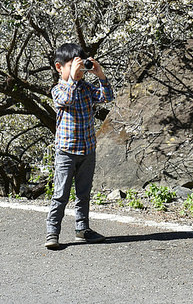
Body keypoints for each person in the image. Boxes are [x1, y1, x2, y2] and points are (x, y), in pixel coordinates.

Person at [45, 43, 114, 250]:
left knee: (83, 193)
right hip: (66, 151)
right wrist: (73, 80)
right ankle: (52, 232)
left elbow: (107, 97)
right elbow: (68, 99)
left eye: (80, 66)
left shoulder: (85, 87)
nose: (79, 71)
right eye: (73, 66)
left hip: (87, 149)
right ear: (59, 67)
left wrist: (100, 75)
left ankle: (82, 229)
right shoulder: (58, 90)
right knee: (61, 194)